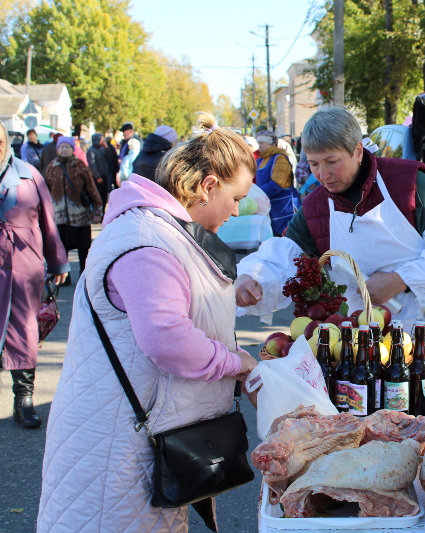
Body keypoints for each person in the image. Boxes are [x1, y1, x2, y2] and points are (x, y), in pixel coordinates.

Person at [38, 113, 259, 533]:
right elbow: (168, 340)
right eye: (236, 197)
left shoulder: (158, 231)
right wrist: (238, 363)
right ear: (208, 186)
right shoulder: (147, 242)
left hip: (137, 436)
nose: (236, 209)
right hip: (118, 449)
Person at [236, 106, 425, 325]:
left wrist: (400, 280)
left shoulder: (409, 183)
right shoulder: (315, 207)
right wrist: (253, 278)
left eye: (332, 162)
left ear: (358, 152)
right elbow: (284, 256)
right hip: (367, 333)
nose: (323, 174)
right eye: (314, 164)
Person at [0, 122, 69, 428]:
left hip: (22, 265)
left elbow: (48, 223)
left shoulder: (30, 175)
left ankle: (23, 399)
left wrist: (58, 263)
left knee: (23, 331)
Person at [44, 136, 103, 284]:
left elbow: (91, 188)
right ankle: (65, 277)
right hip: (60, 216)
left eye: (67, 147)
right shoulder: (52, 166)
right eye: (61, 147)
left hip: (80, 215)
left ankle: (84, 277)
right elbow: (46, 190)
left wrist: (97, 210)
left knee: (83, 248)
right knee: (62, 247)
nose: (64, 150)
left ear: (73, 149)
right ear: (57, 149)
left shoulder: (80, 165)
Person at [254, 129, 300, 236]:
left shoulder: (280, 158)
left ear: (271, 144)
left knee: (286, 235)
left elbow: (277, 184)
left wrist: (257, 195)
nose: (259, 146)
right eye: (258, 143)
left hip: (284, 206)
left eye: (262, 143)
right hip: (269, 204)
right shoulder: (261, 159)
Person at [87, 133, 112, 207]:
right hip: (98, 177)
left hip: (104, 175)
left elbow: (109, 158)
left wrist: (107, 148)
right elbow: (92, 165)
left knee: (104, 197)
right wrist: (97, 176)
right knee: (99, 196)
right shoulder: (91, 151)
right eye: (101, 140)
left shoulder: (101, 149)